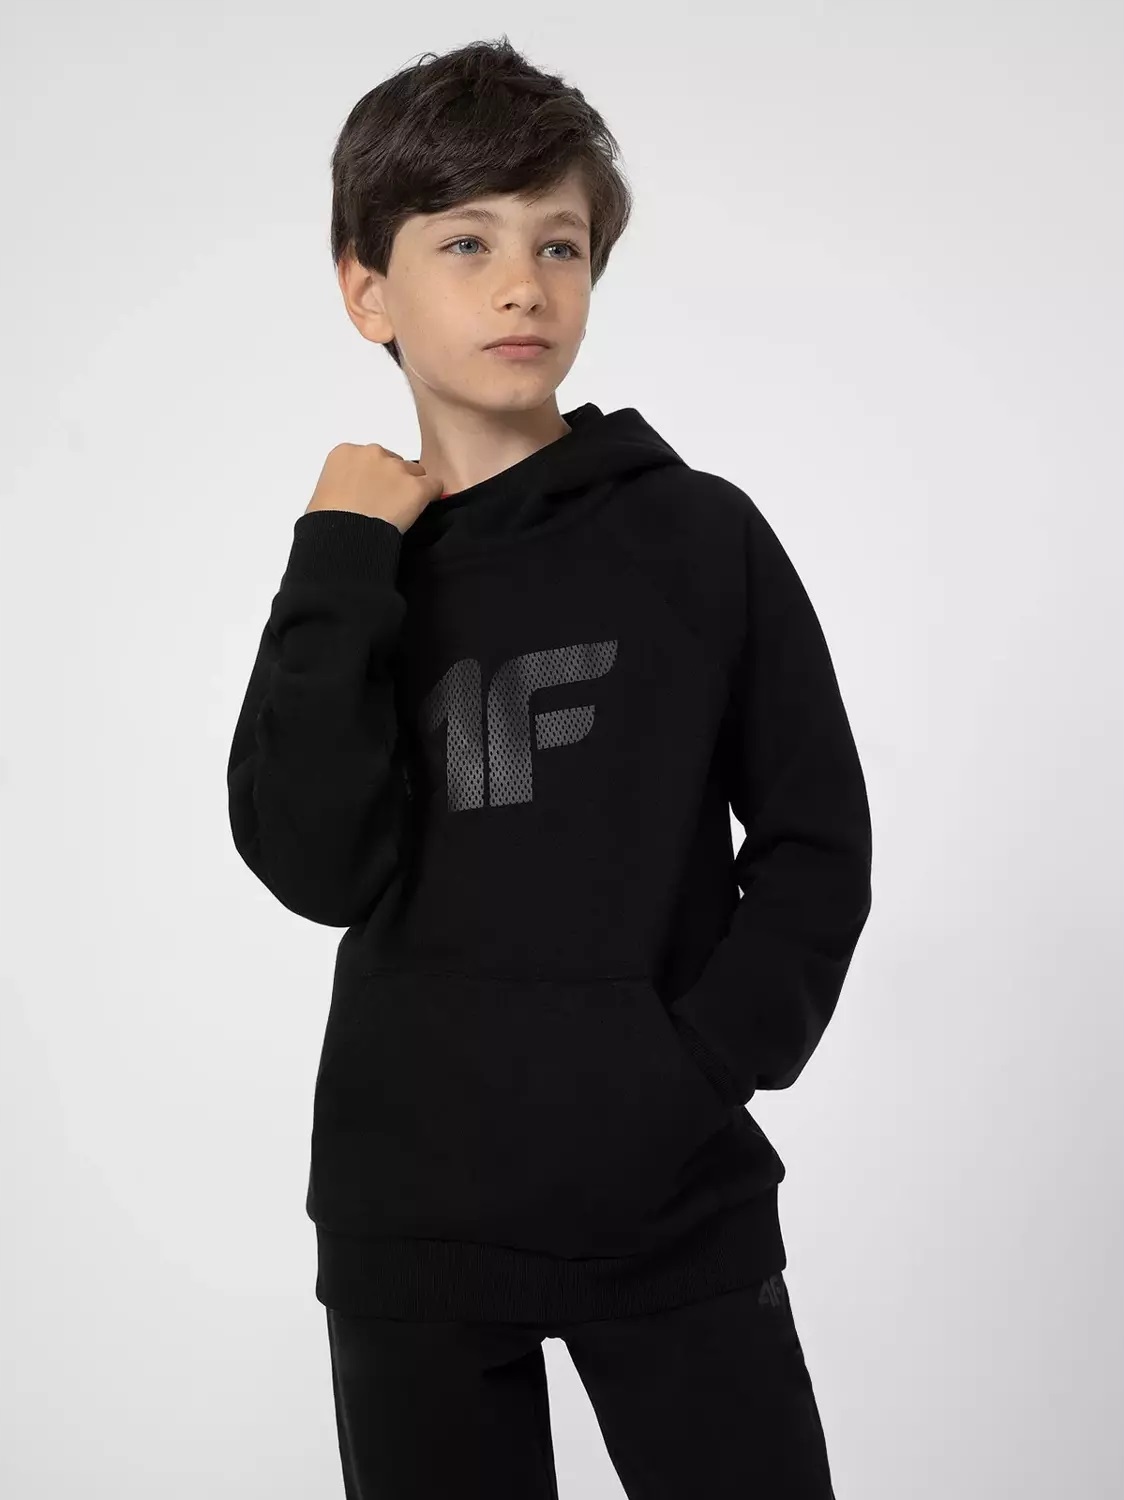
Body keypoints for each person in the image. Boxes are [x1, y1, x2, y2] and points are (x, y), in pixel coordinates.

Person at [226, 33, 872, 1500]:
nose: (523, 284)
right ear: (366, 290)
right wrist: (338, 557)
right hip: (408, 1218)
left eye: (558, 243)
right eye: (467, 242)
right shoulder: (358, 572)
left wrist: (691, 1072)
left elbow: (817, 843)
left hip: (668, 1194)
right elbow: (314, 862)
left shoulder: (698, 536)